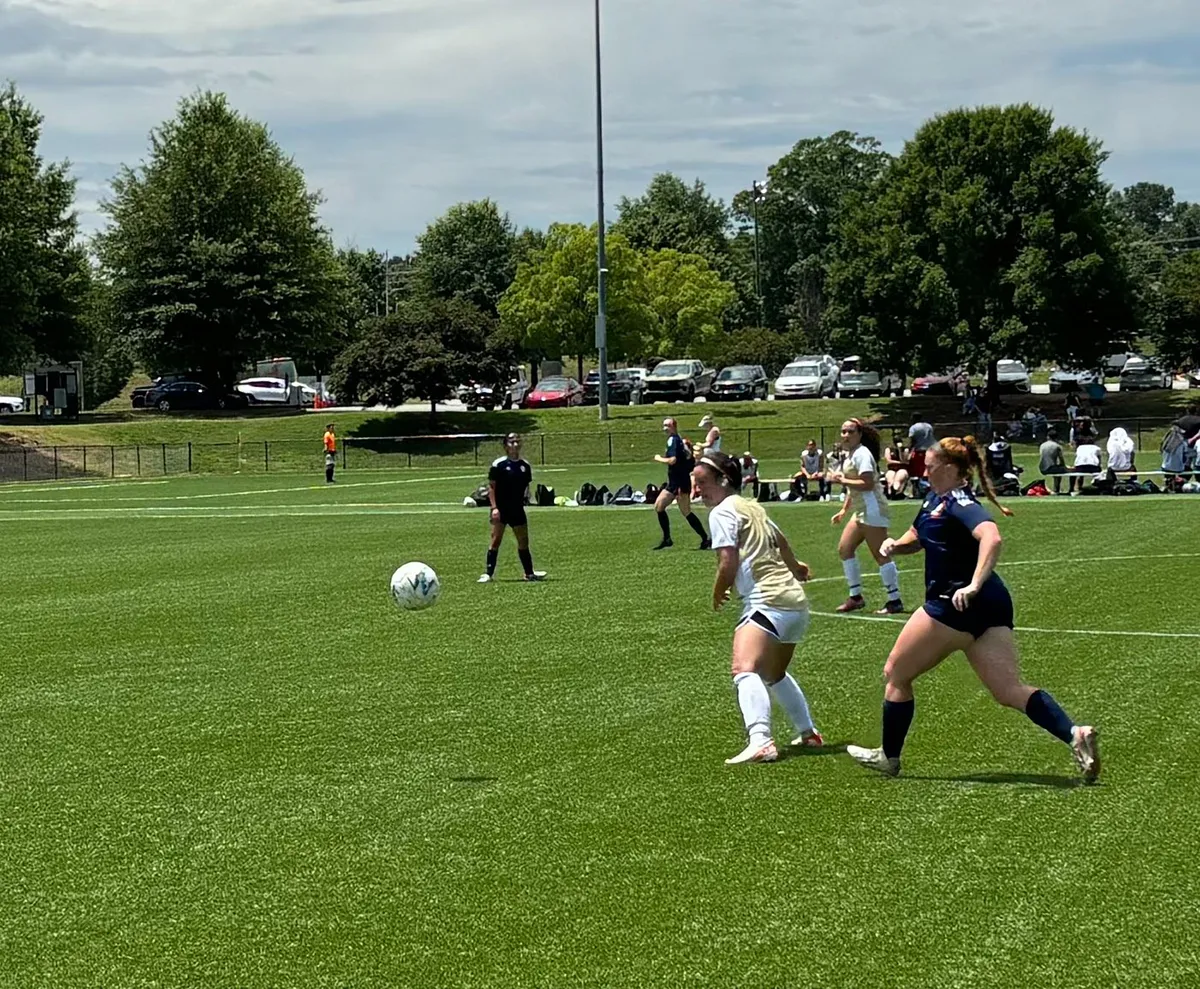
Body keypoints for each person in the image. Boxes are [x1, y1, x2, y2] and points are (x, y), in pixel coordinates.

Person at [846, 436, 1100, 781]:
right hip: (991, 606)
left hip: (954, 604)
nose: (924, 468)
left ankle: (888, 757)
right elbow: (918, 535)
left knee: (896, 673)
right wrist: (896, 546)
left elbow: (992, 537)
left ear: (949, 469)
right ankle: (1075, 734)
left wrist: (973, 584)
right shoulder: (935, 499)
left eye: (930, 464)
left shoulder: (959, 501)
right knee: (1008, 690)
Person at [692, 451, 823, 764]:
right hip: (794, 603)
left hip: (767, 600)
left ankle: (761, 740)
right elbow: (782, 540)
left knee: (743, 669)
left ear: (723, 480)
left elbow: (728, 561)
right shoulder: (751, 506)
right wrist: (796, 567)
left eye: (703, 483)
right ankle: (808, 732)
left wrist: (718, 591)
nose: (698, 490)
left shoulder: (721, 512)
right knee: (774, 673)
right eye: (695, 484)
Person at [830, 418, 904, 615]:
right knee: (845, 549)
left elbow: (867, 483)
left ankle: (894, 600)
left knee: (881, 554)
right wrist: (844, 510)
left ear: (859, 434)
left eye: (850, 432)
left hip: (873, 509)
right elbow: (853, 487)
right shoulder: (850, 454)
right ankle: (856, 597)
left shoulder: (862, 454)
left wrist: (841, 479)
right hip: (861, 510)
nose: (845, 435)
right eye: (843, 431)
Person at [478, 433, 547, 583]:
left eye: (517, 441)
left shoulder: (525, 466)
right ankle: (488, 573)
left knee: (523, 541)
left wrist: (527, 499)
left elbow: (525, 487)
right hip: (502, 509)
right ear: (505, 446)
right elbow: (492, 487)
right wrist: (494, 508)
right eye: (511, 442)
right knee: (496, 540)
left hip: (517, 509)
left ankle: (529, 573)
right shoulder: (499, 465)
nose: (515, 444)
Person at [653, 418, 710, 550]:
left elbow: (672, 460)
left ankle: (703, 538)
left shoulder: (674, 440)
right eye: (664, 425)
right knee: (665, 507)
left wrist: (659, 458)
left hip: (678, 482)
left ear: (674, 426)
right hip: (677, 480)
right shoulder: (677, 439)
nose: (664, 428)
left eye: (667, 425)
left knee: (673, 509)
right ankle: (669, 538)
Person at [1038, 428, 1067, 494]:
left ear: (1048, 437)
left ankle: (1055, 489)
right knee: (1061, 470)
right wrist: (1065, 467)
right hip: (1051, 468)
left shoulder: (1042, 445)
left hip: (1042, 467)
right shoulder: (1057, 446)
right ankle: (1057, 489)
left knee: (1056, 468)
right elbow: (1061, 460)